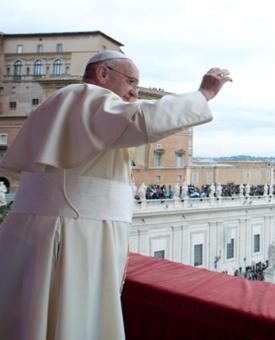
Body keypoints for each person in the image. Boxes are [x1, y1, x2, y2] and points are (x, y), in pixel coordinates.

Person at [0, 50, 231, 340]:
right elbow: (142, 119)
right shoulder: (86, 96)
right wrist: (203, 94)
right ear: (103, 74)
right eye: (131, 82)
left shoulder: (60, 104)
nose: (134, 92)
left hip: (55, 227)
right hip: (73, 233)